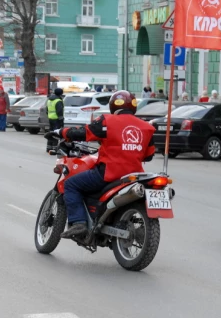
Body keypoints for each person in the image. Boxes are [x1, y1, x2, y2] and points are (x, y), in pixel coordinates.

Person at [45, 91, 156, 238]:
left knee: (70, 184)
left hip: (109, 174)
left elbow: (83, 132)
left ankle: (79, 223)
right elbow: (148, 156)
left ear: (112, 106)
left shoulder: (107, 121)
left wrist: (61, 131)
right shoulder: (147, 128)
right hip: (134, 176)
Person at [46, 88, 65, 152]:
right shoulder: (58, 101)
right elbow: (59, 111)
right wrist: (61, 121)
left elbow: (47, 110)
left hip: (50, 118)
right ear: (61, 93)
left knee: (51, 133)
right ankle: (54, 148)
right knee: (56, 134)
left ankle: (49, 147)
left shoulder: (49, 100)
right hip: (56, 119)